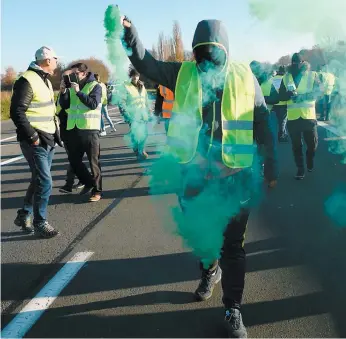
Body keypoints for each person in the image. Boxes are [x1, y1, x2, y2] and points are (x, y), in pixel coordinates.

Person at [121, 17, 278, 338]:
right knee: (203, 236)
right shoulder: (183, 73)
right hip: (194, 175)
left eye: (212, 52)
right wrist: (129, 34)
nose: (206, 59)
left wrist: (271, 166)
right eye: (200, 52)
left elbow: (262, 122)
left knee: (233, 246)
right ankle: (209, 270)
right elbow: (145, 63)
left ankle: (233, 308)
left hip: (236, 175)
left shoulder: (244, 75)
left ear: (225, 50)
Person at [10, 46, 61, 238]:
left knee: (38, 179)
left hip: (48, 137)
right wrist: (32, 136)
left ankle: (24, 214)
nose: (56, 62)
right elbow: (16, 111)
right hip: (35, 140)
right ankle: (40, 222)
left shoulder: (44, 80)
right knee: (45, 181)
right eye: (55, 58)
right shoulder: (27, 80)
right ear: (47, 60)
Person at [59, 63, 103, 202]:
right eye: (71, 74)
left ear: (84, 73)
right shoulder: (71, 87)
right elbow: (65, 105)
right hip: (73, 129)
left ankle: (97, 191)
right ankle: (89, 182)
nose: (73, 77)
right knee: (73, 160)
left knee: (93, 162)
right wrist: (63, 92)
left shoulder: (95, 86)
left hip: (90, 129)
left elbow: (93, 104)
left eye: (75, 74)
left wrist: (79, 92)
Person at [279, 53, 321, 180]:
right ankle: (300, 169)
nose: (295, 64)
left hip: (308, 117)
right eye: (293, 62)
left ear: (303, 62)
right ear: (291, 63)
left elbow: (319, 91)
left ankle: (310, 159)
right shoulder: (286, 77)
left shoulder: (312, 75)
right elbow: (281, 96)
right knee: (296, 147)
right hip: (293, 118)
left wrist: (302, 97)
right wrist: (288, 94)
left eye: (298, 62)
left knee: (312, 145)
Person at [57, 70, 85, 194]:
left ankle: (71, 183)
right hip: (65, 129)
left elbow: (68, 108)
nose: (67, 80)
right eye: (65, 78)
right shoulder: (63, 92)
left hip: (75, 128)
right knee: (74, 158)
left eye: (69, 77)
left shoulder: (78, 91)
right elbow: (60, 108)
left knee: (74, 158)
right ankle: (81, 179)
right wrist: (63, 91)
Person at [120, 68, 151, 160]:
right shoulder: (125, 86)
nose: (135, 77)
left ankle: (141, 150)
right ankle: (136, 149)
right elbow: (121, 102)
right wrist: (125, 114)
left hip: (143, 114)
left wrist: (149, 109)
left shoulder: (142, 85)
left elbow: (145, 98)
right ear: (130, 76)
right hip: (132, 115)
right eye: (133, 75)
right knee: (135, 133)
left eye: (137, 75)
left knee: (144, 133)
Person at [272, 66, 289, 142]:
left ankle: (284, 134)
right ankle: (281, 135)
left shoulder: (273, 79)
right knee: (283, 121)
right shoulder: (286, 79)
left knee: (279, 121)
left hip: (274, 102)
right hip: (283, 102)